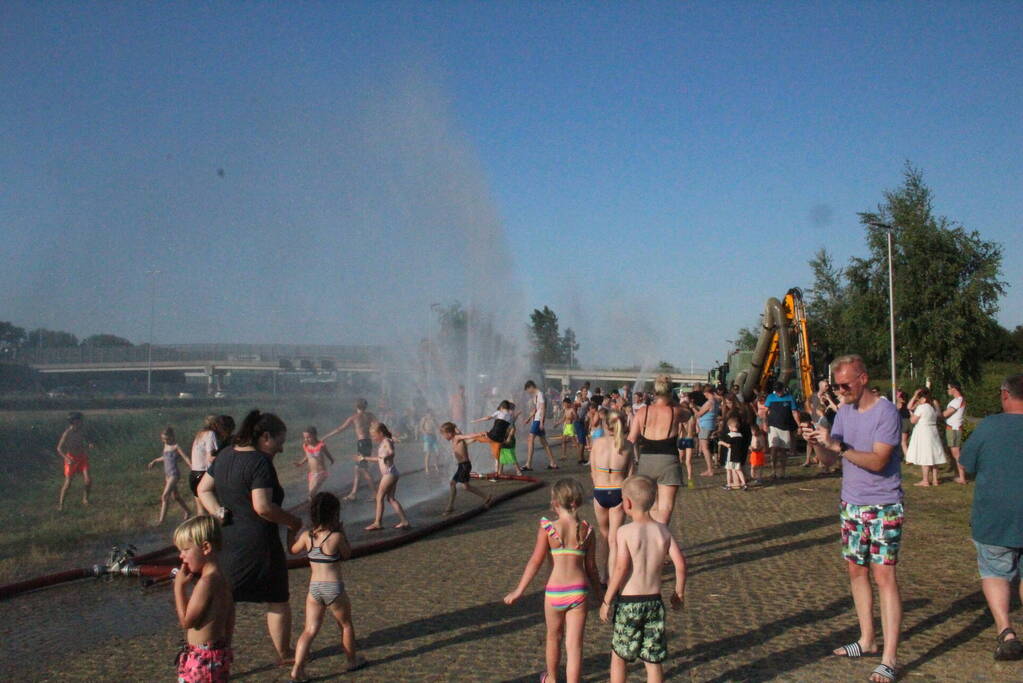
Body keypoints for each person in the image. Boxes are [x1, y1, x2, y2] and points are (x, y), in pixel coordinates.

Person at [803, 355, 903, 683]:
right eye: (836, 386)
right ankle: (867, 639)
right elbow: (829, 460)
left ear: (863, 379)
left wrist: (839, 447)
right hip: (851, 504)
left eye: (845, 385)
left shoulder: (886, 412)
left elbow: (878, 460)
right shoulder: (844, 412)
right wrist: (817, 443)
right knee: (856, 572)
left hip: (884, 504)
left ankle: (889, 658)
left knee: (884, 577)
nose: (840, 391)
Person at [197, 409, 302, 665]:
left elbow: (203, 489)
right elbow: (263, 507)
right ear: (265, 437)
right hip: (259, 541)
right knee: (276, 598)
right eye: (279, 442)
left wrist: (218, 512)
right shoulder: (259, 462)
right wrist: (293, 521)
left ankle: (218, 657)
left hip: (227, 539)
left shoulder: (225, 454)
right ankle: (284, 653)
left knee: (226, 599)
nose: (281, 449)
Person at [504, 479, 601, 683]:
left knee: (553, 637)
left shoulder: (548, 528)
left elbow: (535, 561)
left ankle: (552, 679)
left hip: (555, 591)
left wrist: (519, 590)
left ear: (555, 502)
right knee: (575, 645)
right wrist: (601, 596)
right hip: (579, 591)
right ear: (578, 501)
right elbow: (591, 568)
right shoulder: (587, 530)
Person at [599, 475, 687, 683]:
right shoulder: (663, 531)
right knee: (652, 659)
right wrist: (678, 592)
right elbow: (681, 564)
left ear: (627, 503)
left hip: (629, 602)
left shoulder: (625, 532)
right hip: (654, 602)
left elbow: (621, 568)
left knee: (619, 656)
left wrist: (607, 600)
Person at [960, 373, 1023, 661]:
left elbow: (967, 464)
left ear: (1005, 395)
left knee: (995, 572)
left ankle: (1005, 630)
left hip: (994, 514)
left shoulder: (989, 426)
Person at [287, 492, 365, 680]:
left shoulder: (307, 536)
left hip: (314, 589)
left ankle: (297, 668)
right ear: (334, 514)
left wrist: (290, 531)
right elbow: (347, 554)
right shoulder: (335, 537)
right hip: (333, 588)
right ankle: (352, 661)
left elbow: (292, 550)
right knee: (345, 625)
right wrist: (343, 533)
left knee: (309, 630)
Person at [173, 515, 235, 683]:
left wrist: (178, 588)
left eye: (185, 550)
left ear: (206, 547)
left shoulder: (206, 582)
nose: (181, 556)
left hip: (203, 659)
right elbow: (230, 615)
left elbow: (186, 622)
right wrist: (227, 646)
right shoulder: (221, 578)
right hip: (217, 654)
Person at [628, 375, 684, 526]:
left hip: (647, 460)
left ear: (654, 392)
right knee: (665, 509)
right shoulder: (676, 411)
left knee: (650, 505)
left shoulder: (642, 412)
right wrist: (673, 401)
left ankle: (650, 536)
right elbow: (689, 415)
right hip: (668, 461)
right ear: (670, 392)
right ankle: (661, 536)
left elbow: (631, 438)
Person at [590, 410, 633, 583]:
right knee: (614, 539)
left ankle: (603, 575)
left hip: (600, 490)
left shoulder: (597, 443)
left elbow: (593, 473)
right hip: (618, 490)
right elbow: (630, 476)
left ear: (606, 424)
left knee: (604, 535)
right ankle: (613, 579)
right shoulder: (627, 445)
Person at [321, 399, 377, 502]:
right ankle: (353, 493)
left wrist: (326, 436)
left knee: (363, 469)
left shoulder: (354, 417)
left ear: (356, 407)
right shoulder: (370, 415)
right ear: (365, 406)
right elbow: (378, 425)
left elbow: (340, 429)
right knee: (357, 469)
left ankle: (375, 494)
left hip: (362, 444)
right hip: (368, 442)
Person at [360, 422, 411, 531]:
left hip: (389, 474)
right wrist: (364, 458)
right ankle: (404, 521)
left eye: (374, 435)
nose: (373, 438)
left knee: (379, 497)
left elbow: (391, 452)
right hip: (392, 473)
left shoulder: (387, 441)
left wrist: (387, 457)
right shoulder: (384, 442)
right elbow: (379, 459)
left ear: (381, 433)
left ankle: (377, 523)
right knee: (391, 499)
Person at [439, 422, 493, 515]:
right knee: (456, 484)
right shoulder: (455, 437)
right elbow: (458, 431)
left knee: (463, 486)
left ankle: (486, 496)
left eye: (444, 435)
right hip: (462, 466)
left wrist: (479, 434)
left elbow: (468, 436)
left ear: (449, 433)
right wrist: (454, 426)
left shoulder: (457, 437)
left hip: (464, 465)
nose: (443, 437)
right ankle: (450, 506)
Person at [147, 426, 192, 524]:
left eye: (167, 439)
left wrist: (192, 467)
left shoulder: (176, 446)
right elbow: (166, 457)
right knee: (175, 496)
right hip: (167, 475)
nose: (165, 441)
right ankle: (188, 511)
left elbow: (185, 457)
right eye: (163, 439)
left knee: (165, 496)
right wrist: (155, 460)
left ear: (172, 437)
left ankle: (161, 521)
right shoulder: (166, 446)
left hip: (174, 474)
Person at [189, 416, 232, 516]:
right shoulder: (210, 434)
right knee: (217, 510)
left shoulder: (200, 434)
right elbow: (210, 457)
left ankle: (202, 526)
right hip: (204, 475)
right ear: (216, 425)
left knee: (201, 512)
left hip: (194, 475)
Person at [904, 388, 947, 487]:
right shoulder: (932, 407)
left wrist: (911, 414)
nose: (918, 400)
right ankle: (935, 480)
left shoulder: (921, 407)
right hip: (933, 431)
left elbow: (913, 420)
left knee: (925, 456)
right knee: (934, 456)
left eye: (919, 399)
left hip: (924, 432)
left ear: (923, 399)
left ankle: (925, 480)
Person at [56, 411, 94, 511]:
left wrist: (90, 444)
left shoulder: (82, 431)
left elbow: (88, 439)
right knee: (68, 483)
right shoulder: (67, 433)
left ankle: (85, 499)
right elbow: (59, 448)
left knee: (88, 480)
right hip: (71, 459)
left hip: (82, 457)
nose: (82, 422)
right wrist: (66, 458)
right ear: (74, 421)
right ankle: (61, 505)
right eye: (80, 420)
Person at [468, 399, 515, 477]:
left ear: (502, 407)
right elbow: (513, 428)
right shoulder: (511, 417)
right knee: (497, 457)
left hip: (492, 436)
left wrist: (475, 421)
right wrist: (508, 438)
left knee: (476, 437)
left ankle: (465, 444)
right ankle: (497, 474)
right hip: (499, 439)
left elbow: (487, 418)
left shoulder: (499, 412)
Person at [765, 382, 800, 480]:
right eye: (777, 391)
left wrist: (799, 425)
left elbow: (794, 412)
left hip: (785, 427)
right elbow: (765, 411)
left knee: (783, 449)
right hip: (773, 426)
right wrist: (765, 423)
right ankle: (773, 471)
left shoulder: (790, 398)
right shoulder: (770, 397)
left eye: (779, 390)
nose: (778, 393)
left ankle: (782, 472)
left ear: (783, 389)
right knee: (774, 447)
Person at [524, 380, 557, 470]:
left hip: (538, 420)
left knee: (530, 439)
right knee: (543, 442)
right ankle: (553, 463)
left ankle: (528, 464)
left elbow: (543, 408)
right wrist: (529, 418)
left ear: (531, 387)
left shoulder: (540, 394)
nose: (528, 392)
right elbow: (536, 409)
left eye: (528, 390)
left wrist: (542, 422)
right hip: (537, 419)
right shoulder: (536, 395)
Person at [294, 426, 335, 500]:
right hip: (312, 474)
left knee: (312, 492)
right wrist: (300, 463)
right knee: (311, 493)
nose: (306, 439)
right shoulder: (306, 446)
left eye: (308, 437)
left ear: (314, 435)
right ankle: (316, 503)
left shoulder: (321, 445)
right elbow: (307, 456)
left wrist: (331, 459)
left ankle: (316, 502)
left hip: (321, 473)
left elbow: (327, 453)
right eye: (305, 438)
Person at [943, 382, 968, 484]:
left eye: (949, 388)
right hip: (953, 428)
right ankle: (959, 475)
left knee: (956, 454)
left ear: (954, 389)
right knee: (955, 453)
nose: (948, 390)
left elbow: (945, 414)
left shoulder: (958, 401)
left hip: (954, 428)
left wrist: (936, 410)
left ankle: (962, 478)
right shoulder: (957, 400)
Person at [721, 413, 750, 491]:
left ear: (730, 427)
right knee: (739, 470)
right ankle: (744, 484)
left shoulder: (730, 435)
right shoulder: (740, 435)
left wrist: (721, 443)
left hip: (731, 456)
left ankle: (728, 484)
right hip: (738, 456)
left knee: (728, 470)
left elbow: (729, 445)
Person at [694, 387, 718, 477]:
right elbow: (704, 410)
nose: (704, 395)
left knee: (705, 448)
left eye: (704, 393)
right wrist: (695, 407)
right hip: (710, 424)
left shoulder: (709, 402)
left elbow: (698, 414)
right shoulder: (716, 401)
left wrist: (692, 408)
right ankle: (710, 468)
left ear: (707, 392)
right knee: (706, 447)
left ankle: (710, 470)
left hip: (705, 426)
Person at [676, 397, 696, 488]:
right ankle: (690, 482)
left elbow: (679, 430)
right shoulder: (692, 418)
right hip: (690, 439)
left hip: (682, 439)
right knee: (688, 462)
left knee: (680, 460)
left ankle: (680, 480)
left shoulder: (681, 418)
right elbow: (696, 430)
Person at [559, 398, 583, 463]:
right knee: (563, 441)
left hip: (570, 426)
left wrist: (572, 417)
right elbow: (563, 418)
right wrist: (558, 423)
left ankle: (580, 456)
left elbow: (576, 417)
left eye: (565, 404)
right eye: (563, 404)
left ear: (568, 403)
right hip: (566, 427)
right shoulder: (565, 410)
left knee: (575, 442)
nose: (564, 405)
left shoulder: (572, 410)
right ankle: (563, 455)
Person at [419, 409, 441, 474]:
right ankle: (427, 468)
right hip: (427, 437)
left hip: (434, 437)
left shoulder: (434, 419)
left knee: (437, 452)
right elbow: (421, 428)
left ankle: (436, 464)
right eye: (429, 413)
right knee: (428, 453)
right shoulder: (424, 419)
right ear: (426, 414)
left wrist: (440, 433)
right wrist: (425, 432)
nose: (430, 415)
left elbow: (438, 427)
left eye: (431, 413)